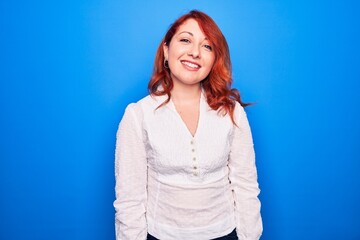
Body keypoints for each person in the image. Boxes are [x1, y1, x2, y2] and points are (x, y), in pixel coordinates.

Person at [114, 10, 263, 240]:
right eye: (185, 40)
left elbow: (246, 186)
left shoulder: (232, 113)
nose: (194, 52)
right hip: (160, 234)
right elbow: (129, 199)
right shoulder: (138, 115)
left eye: (207, 46)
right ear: (166, 49)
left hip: (225, 233)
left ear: (214, 59)